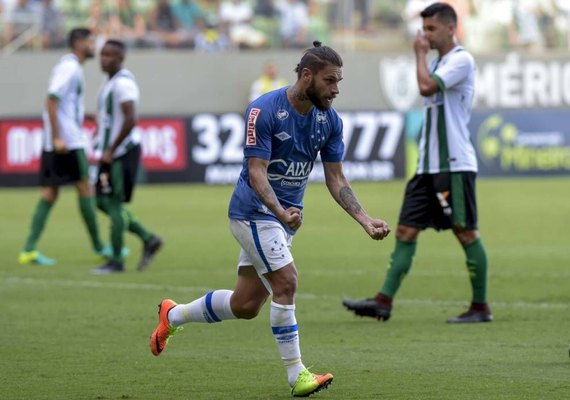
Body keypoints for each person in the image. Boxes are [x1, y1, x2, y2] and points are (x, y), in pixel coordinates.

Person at [149, 41, 391, 397]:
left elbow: (336, 178)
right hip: (253, 212)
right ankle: (297, 376)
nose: (336, 89)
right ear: (306, 76)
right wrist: (280, 212)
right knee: (287, 282)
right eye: (330, 81)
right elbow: (257, 172)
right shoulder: (264, 110)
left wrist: (365, 219)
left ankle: (173, 316)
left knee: (245, 305)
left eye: (339, 81)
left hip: (282, 219)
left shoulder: (329, 120)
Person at [343, 2, 492, 324]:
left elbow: (425, 87)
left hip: (452, 166)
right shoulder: (440, 62)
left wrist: (419, 54)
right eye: (423, 29)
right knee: (406, 231)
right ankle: (383, 301)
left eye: (431, 29)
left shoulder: (460, 60)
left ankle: (480, 307)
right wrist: (425, 56)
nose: (425, 35)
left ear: (451, 28)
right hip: (427, 169)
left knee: (466, 233)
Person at [18, 28, 106, 266]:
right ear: (78, 43)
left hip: (59, 139)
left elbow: (62, 104)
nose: (94, 45)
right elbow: (51, 98)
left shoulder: (69, 66)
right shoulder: (70, 68)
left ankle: (28, 249)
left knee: (50, 192)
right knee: (85, 188)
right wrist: (58, 137)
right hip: (68, 142)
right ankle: (100, 246)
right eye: (90, 41)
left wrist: (84, 116)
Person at [90, 39, 163, 275]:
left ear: (120, 58)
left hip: (120, 153)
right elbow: (115, 117)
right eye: (102, 54)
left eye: (110, 55)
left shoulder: (123, 83)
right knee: (102, 201)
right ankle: (147, 237)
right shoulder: (110, 81)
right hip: (109, 151)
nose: (104, 59)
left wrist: (111, 150)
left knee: (113, 203)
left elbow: (130, 118)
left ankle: (116, 261)